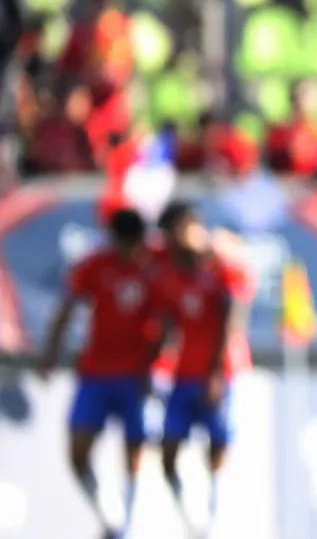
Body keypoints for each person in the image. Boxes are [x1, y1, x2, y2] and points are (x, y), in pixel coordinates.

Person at [36, 208, 158, 539]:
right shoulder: (95, 265)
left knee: (134, 453)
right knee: (77, 452)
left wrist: (155, 364)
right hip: (96, 374)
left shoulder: (153, 268)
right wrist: (50, 353)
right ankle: (111, 517)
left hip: (135, 377)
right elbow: (67, 308)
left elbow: (168, 323)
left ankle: (126, 527)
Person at [150, 201, 235, 535]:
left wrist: (217, 372)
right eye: (185, 226)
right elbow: (166, 325)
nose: (193, 233)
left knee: (218, 445)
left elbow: (232, 317)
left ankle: (215, 520)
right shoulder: (166, 269)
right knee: (168, 452)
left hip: (216, 374)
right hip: (181, 376)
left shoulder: (219, 266)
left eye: (195, 225)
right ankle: (190, 520)